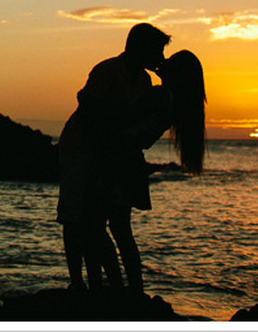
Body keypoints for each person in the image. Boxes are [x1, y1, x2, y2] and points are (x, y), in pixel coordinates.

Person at [55, 23, 171, 291]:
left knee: (94, 219)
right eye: (157, 51)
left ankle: (99, 283)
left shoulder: (144, 81)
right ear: (140, 48)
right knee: (74, 216)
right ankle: (77, 281)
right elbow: (89, 111)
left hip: (107, 151)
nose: (160, 59)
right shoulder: (106, 70)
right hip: (79, 146)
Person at [104, 49, 207, 292]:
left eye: (170, 61)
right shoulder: (175, 101)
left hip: (121, 158)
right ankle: (132, 290)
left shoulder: (161, 94)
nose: (164, 61)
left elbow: (126, 116)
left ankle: (117, 288)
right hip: (131, 163)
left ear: (177, 73)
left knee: (99, 227)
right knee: (120, 230)